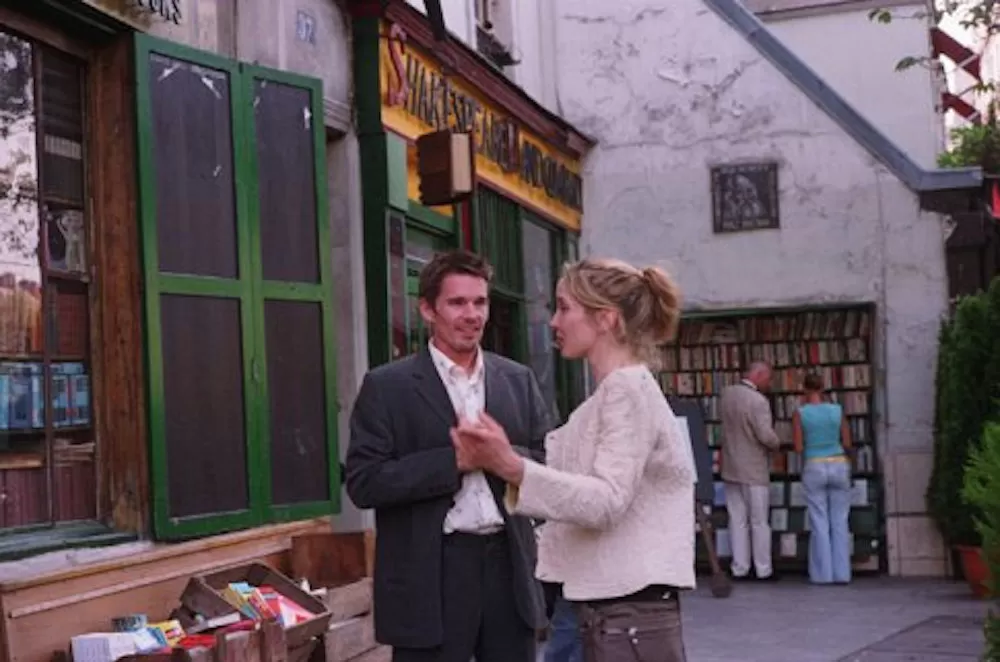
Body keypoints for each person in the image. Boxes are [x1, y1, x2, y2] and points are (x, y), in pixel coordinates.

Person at [453, 258, 697, 662]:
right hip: (597, 606)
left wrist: (509, 465)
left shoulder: (627, 390)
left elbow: (607, 500)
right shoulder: (610, 395)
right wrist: (503, 458)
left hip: (621, 612)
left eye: (565, 308)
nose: (554, 321)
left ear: (606, 319)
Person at [344, 250, 551, 662]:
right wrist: (453, 463)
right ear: (427, 309)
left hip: (508, 568)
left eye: (480, 302)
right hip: (431, 573)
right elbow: (364, 482)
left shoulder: (517, 380)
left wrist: (500, 457)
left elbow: (549, 465)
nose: (472, 315)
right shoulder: (387, 387)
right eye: (457, 303)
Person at [719, 361, 781, 581]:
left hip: (730, 465)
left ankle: (740, 567)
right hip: (753, 468)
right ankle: (763, 569)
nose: (769, 383)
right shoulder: (758, 401)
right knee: (759, 521)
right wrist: (777, 443)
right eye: (768, 378)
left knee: (737, 519)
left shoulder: (726, 395)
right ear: (759, 374)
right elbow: (764, 434)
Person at [792, 372, 853, 585]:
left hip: (815, 464)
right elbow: (847, 442)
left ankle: (823, 574)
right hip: (838, 462)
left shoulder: (800, 413)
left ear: (805, 389)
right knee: (840, 520)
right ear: (823, 387)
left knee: (819, 520)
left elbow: (798, 447)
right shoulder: (837, 410)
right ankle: (842, 573)